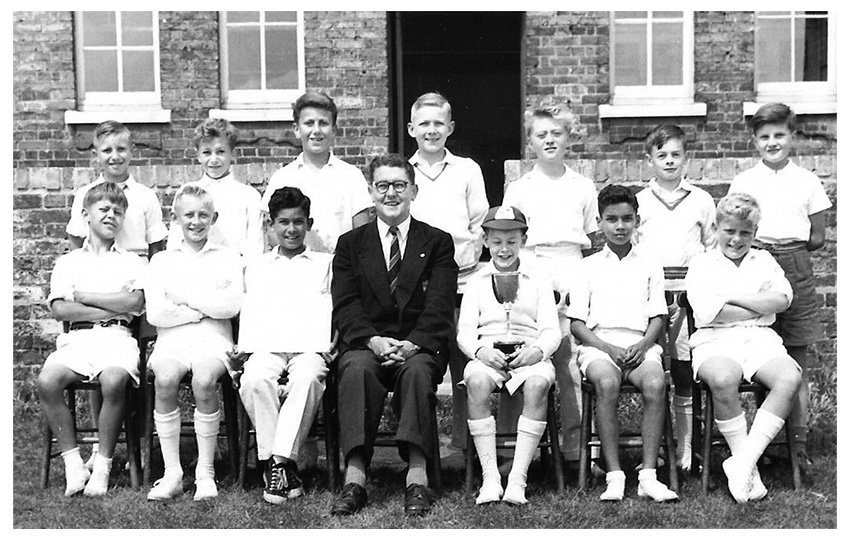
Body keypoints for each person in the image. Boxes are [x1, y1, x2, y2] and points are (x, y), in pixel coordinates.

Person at [329, 153, 457, 517]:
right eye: (382, 186)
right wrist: (373, 340)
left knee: (417, 372)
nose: (391, 194)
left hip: (419, 345)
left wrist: (413, 343)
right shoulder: (350, 244)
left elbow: (440, 304)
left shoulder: (436, 242)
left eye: (399, 185)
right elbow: (346, 303)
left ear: (413, 190)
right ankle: (355, 478)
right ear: (371, 191)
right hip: (367, 344)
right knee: (355, 370)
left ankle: (416, 478)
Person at [728, 102, 831, 468]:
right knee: (761, 353)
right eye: (764, 137)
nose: (772, 142)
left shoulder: (807, 181)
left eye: (779, 135)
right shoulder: (745, 181)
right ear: (755, 141)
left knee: (796, 359)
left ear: (792, 136)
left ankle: (797, 444)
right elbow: (736, 226)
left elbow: (818, 236)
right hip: (756, 262)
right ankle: (766, 445)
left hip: (796, 264)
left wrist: (790, 252)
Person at [685, 193, 802, 503]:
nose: (737, 239)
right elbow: (708, 311)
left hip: (760, 339)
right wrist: (759, 304)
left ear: (754, 232)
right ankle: (747, 467)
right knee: (723, 379)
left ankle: (743, 464)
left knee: (789, 377)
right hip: (714, 340)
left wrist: (732, 297)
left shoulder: (763, 260)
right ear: (716, 228)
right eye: (730, 231)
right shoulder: (702, 263)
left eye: (745, 233)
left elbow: (782, 300)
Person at [65, 120, 168, 468]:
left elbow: (157, 249)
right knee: (97, 361)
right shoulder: (86, 195)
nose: (115, 156)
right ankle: (99, 445)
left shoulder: (144, 197)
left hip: (132, 286)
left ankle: (136, 448)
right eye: (107, 150)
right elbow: (75, 245)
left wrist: (149, 290)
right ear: (96, 155)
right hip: (96, 287)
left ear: (132, 153)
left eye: (121, 149)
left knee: (129, 368)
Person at [501, 104, 598, 468]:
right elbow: (510, 238)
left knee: (569, 361)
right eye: (542, 135)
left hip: (572, 266)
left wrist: (581, 286)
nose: (550, 140)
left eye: (556, 133)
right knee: (523, 355)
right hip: (531, 267)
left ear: (568, 138)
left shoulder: (583, 186)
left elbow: (590, 237)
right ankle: (514, 449)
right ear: (531, 142)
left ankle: (576, 450)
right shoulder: (519, 187)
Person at [568, 184, 678, 503]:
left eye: (627, 219)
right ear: (600, 222)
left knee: (656, 383)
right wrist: (607, 348)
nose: (619, 226)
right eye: (612, 219)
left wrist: (644, 345)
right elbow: (577, 323)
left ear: (637, 221)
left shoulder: (649, 263)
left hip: (639, 344)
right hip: (599, 345)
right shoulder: (587, 267)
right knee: (605, 382)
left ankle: (647, 475)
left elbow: (658, 316)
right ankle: (614, 475)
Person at [38, 181, 146, 497]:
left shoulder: (131, 261)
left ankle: (102, 467)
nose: (111, 216)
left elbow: (135, 305)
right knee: (47, 381)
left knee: (113, 380)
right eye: (104, 209)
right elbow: (60, 309)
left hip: (117, 338)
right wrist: (108, 305)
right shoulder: (69, 262)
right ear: (86, 214)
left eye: (118, 211)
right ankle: (74, 464)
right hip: (78, 341)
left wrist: (85, 298)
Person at [230, 187, 334, 505]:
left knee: (308, 377)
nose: (291, 230)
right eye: (283, 222)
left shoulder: (324, 264)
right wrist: (244, 347)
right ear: (271, 225)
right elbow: (251, 312)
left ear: (309, 223)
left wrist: (333, 340)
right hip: (268, 346)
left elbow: (334, 309)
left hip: (308, 347)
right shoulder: (256, 266)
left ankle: (274, 464)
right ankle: (284, 465)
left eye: (299, 222)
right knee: (255, 379)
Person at [143, 184, 243, 501]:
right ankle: (172, 473)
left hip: (214, 339)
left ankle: (205, 472)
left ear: (214, 217)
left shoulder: (228, 257)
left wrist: (185, 300)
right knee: (166, 378)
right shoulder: (162, 261)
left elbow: (231, 306)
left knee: (203, 380)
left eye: (203, 215)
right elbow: (157, 313)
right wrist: (203, 309)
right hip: (172, 340)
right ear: (176, 217)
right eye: (189, 215)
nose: (196, 222)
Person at [457, 205, 560, 506]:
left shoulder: (537, 278)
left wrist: (537, 351)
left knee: (539, 385)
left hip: (528, 353)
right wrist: (480, 351)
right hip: (489, 354)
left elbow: (552, 330)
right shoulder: (476, 280)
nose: (504, 249)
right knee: (475, 381)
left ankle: (517, 478)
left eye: (512, 241)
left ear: (523, 241)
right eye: (497, 241)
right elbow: (464, 332)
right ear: (486, 241)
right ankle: (490, 477)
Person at [407, 91, 490, 450]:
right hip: (417, 283)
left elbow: (478, 222)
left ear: (450, 127)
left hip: (462, 279)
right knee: (421, 361)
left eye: (438, 123)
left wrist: (464, 260)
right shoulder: (403, 171)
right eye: (424, 123)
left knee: (464, 362)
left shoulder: (467, 169)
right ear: (411, 128)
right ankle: (420, 443)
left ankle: (463, 442)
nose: (431, 130)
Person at [635, 124, 717, 471]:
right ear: (649, 159)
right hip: (650, 294)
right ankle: (653, 451)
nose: (669, 162)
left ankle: (684, 451)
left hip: (690, 293)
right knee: (651, 371)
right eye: (662, 155)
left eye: (676, 155)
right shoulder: (640, 201)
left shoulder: (701, 199)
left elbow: (712, 247)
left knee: (683, 371)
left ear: (687, 158)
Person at [262, 91, 373, 254]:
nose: (316, 130)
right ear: (296, 129)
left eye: (323, 123)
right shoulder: (282, 177)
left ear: (334, 130)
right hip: (296, 267)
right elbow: (272, 232)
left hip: (341, 268)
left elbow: (363, 233)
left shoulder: (351, 176)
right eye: (309, 123)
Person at [167, 118, 264, 258]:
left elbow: (255, 247)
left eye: (221, 152)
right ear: (198, 155)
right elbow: (175, 243)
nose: (214, 159)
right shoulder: (186, 193)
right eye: (207, 152)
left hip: (235, 270)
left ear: (232, 154)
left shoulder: (249, 196)